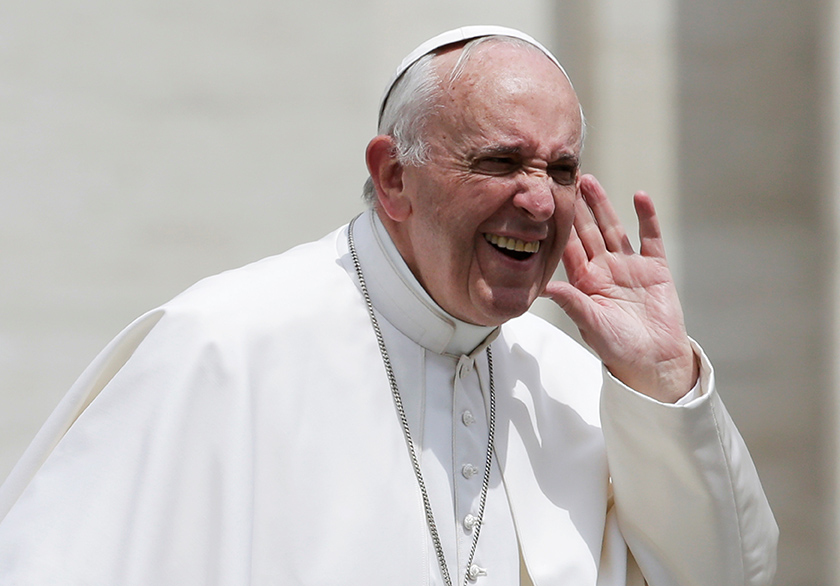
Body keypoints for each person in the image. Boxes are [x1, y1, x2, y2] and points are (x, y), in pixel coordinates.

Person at [0, 25, 776, 586]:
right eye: (500, 161)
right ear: (396, 177)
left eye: (563, 169)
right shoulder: (223, 349)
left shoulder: (576, 387)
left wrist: (667, 381)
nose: (539, 199)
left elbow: (731, 577)